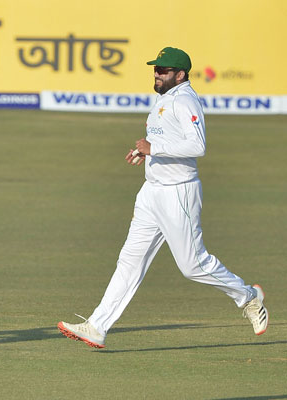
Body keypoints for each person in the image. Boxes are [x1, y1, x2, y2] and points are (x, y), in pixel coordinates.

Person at [57, 47, 268, 349]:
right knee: (129, 260)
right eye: (156, 69)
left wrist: (153, 149)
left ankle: (248, 296)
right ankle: (97, 326)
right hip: (151, 193)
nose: (157, 74)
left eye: (164, 70)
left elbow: (197, 146)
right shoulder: (163, 98)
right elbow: (166, 140)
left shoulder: (184, 99)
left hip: (178, 193)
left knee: (192, 265)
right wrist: (145, 152)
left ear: (180, 74)